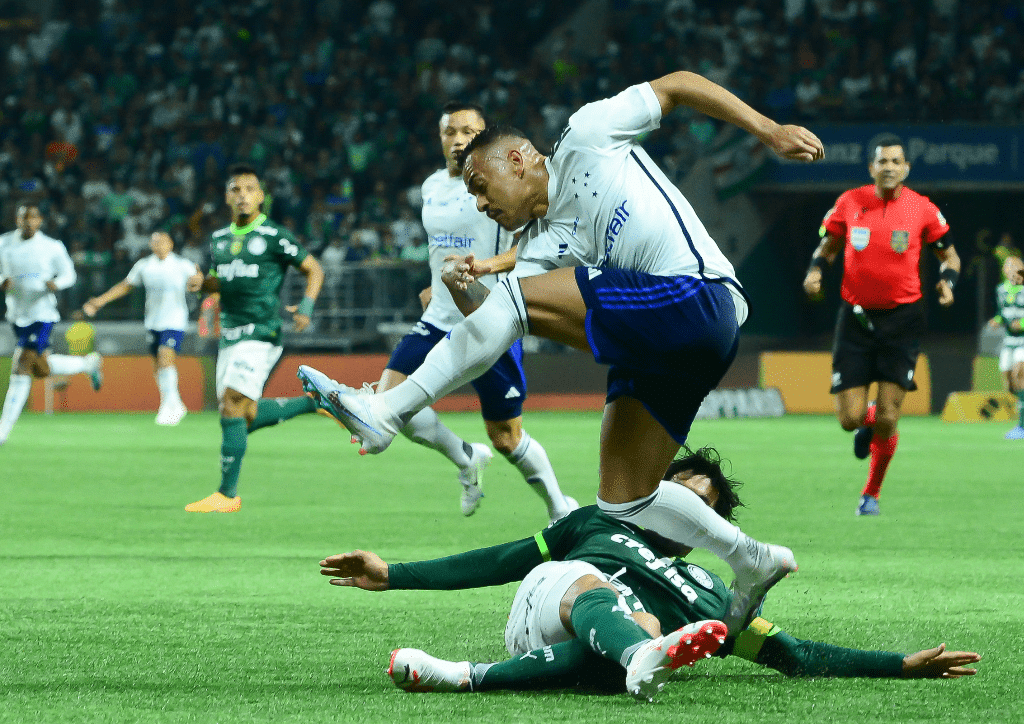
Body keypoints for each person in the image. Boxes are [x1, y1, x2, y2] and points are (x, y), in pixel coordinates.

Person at [300, 70, 824, 634]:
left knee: (518, 303)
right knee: (624, 501)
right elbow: (497, 321)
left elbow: (676, 86)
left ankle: (384, 413)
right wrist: (464, 289)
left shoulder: (588, 134)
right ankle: (751, 557)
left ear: (518, 159)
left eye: (482, 186)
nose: (480, 203)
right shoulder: (540, 242)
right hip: (672, 344)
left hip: (699, 297)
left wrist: (768, 130)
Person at [320, 448, 981, 701]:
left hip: (595, 655)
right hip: (549, 605)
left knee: (644, 627)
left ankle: (464, 676)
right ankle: (640, 651)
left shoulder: (715, 595)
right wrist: (393, 573)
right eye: (677, 493)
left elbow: (794, 654)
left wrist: (900, 666)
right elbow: (502, 560)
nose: (683, 508)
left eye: (701, 508)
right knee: (607, 595)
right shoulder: (595, 523)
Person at [380, 100, 576, 522]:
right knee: (388, 402)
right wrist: (434, 285)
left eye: (468, 132)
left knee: (506, 438)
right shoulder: (431, 187)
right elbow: (439, 247)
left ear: (484, 137)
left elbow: (532, 244)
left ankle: (559, 508)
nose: (458, 140)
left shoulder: (500, 183)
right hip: (437, 318)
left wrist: (487, 266)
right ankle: (465, 456)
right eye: (450, 132)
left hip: (489, 316)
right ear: (439, 138)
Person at [802, 133, 960, 515]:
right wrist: (815, 271)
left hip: (903, 320)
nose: (889, 167)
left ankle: (870, 493)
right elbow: (827, 246)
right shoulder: (848, 202)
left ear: (906, 168)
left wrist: (948, 282)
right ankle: (865, 422)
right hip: (855, 318)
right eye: (882, 161)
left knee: (890, 417)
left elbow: (950, 257)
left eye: (895, 162)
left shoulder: (923, 209)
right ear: (871, 167)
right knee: (849, 419)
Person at [184, 164, 326, 513]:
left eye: (250, 189)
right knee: (240, 413)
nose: (243, 196)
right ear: (227, 197)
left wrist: (306, 306)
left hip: (262, 331)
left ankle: (226, 495)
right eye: (236, 189)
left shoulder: (274, 235)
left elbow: (314, 269)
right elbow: (220, 281)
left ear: (261, 196)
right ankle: (315, 402)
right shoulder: (219, 239)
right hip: (230, 334)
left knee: (232, 403)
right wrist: (203, 284)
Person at [0, 203, 104, 446]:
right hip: (17, 315)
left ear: (40, 221)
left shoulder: (51, 246)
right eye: (24, 217)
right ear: (17, 220)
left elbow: (69, 274)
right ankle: (88, 363)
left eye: (33, 217)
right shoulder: (2, 243)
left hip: (43, 314)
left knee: (21, 366)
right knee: (40, 369)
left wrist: (57, 284)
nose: (28, 222)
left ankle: (2, 430)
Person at [82, 230, 203, 425]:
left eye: (162, 241)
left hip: (175, 320)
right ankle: (175, 403)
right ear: (151, 245)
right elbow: (126, 285)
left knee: (165, 356)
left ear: (171, 244)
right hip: (153, 321)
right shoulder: (145, 265)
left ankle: (169, 406)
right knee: (157, 365)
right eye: (155, 242)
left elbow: (199, 280)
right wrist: (101, 301)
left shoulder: (182, 265)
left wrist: (199, 282)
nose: (159, 245)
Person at [990, 254, 1024, 439]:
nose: (1013, 271)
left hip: (1023, 340)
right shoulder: (1001, 290)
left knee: (1020, 374)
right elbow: (1002, 313)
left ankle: (1022, 426)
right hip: (1009, 341)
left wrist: (1022, 323)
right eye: (1009, 267)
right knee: (1009, 383)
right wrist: (997, 320)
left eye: (1016, 267)